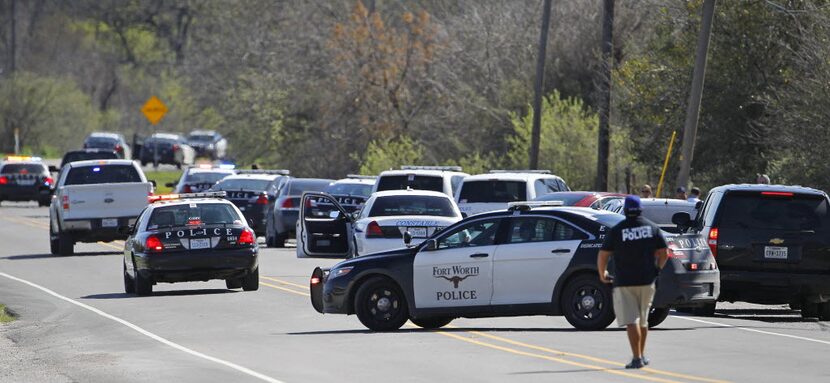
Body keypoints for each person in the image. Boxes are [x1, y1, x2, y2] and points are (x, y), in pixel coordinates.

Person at [597, 196, 669, 369]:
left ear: (625, 210)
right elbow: (664, 252)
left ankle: (637, 357)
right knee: (643, 320)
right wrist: (657, 269)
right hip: (647, 280)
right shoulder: (652, 228)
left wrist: (602, 273)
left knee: (631, 321)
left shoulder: (617, 230)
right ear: (640, 209)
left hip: (624, 282)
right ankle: (641, 355)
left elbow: (603, 254)